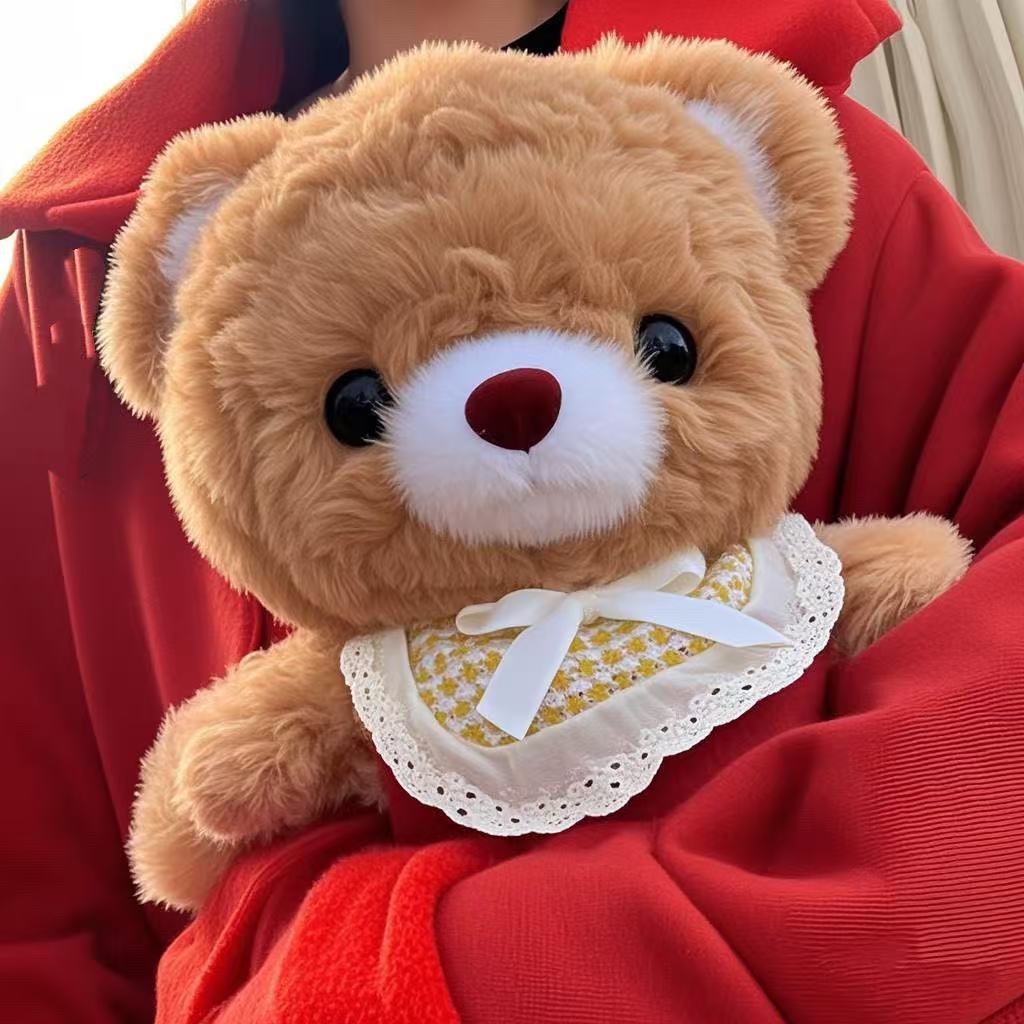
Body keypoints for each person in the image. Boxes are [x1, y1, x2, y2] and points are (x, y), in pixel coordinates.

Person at [1, 1, 1022, 1021]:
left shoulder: (735, 165)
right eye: (360, 409)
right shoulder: (76, 294)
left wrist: (476, 971)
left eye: (662, 351)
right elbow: (42, 925)